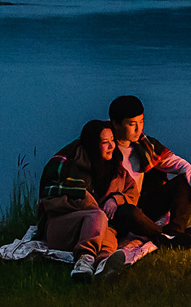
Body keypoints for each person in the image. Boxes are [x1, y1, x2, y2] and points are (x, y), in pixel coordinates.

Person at [107, 93, 191, 246]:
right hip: (115, 211)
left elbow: (182, 165)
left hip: (141, 207)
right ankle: (166, 237)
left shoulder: (145, 146)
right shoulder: (104, 147)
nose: (138, 129)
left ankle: (174, 233)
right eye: (132, 124)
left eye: (141, 121)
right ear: (116, 124)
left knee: (183, 181)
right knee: (128, 212)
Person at [37, 119, 125, 281]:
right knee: (98, 217)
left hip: (96, 227)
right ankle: (84, 260)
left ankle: (104, 264)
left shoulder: (114, 166)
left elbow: (129, 190)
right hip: (62, 229)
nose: (112, 146)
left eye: (113, 140)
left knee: (108, 229)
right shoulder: (69, 165)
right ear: (93, 145)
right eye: (105, 142)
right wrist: (86, 201)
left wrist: (116, 198)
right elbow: (49, 199)